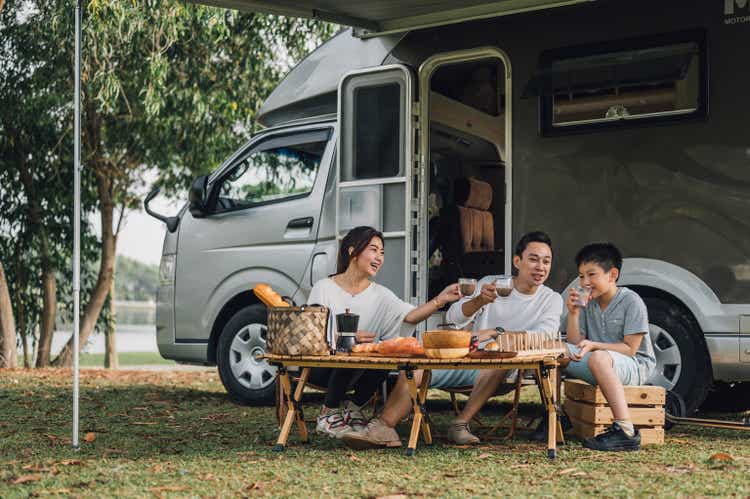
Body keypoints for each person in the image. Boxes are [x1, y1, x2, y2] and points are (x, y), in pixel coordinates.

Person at [343, 231, 563, 449]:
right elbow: (453, 318)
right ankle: (383, 427)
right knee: (417, 366)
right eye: (533, 259)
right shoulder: (491, 284)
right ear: (517, 261)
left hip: (506, 365)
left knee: (496, 361)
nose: (540, 267)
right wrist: (477, 301)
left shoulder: (551, 299)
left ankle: (460, 423)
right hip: (466, 357)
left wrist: (496, 333)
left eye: (546, 261)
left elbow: (545, 334)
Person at [308, 226, 460, 439]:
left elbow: (410, 316)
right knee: (349, 349)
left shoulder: (380, 294)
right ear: (353, 252)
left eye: (382, 253)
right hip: (321, 367)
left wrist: (440, 300)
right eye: (373, 250)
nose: (379, 257)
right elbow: (311, 331)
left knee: (384, 352)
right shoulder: (324, 287)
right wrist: (346, 336)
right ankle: (328, 415)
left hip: (357, 369)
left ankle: (353, 410)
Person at [562, 243, 656, 451]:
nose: (585, 282)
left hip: (634, 366)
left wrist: (595, 345)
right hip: (601, 363)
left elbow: (630, 349)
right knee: (559, 352)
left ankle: (626, 431)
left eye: (591, 275)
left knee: (598, 357)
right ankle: (557, 417)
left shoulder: (631, 301)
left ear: (612, 275)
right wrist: (574, 314)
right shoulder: (589, 303)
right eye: (581, 276)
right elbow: (575, 344)